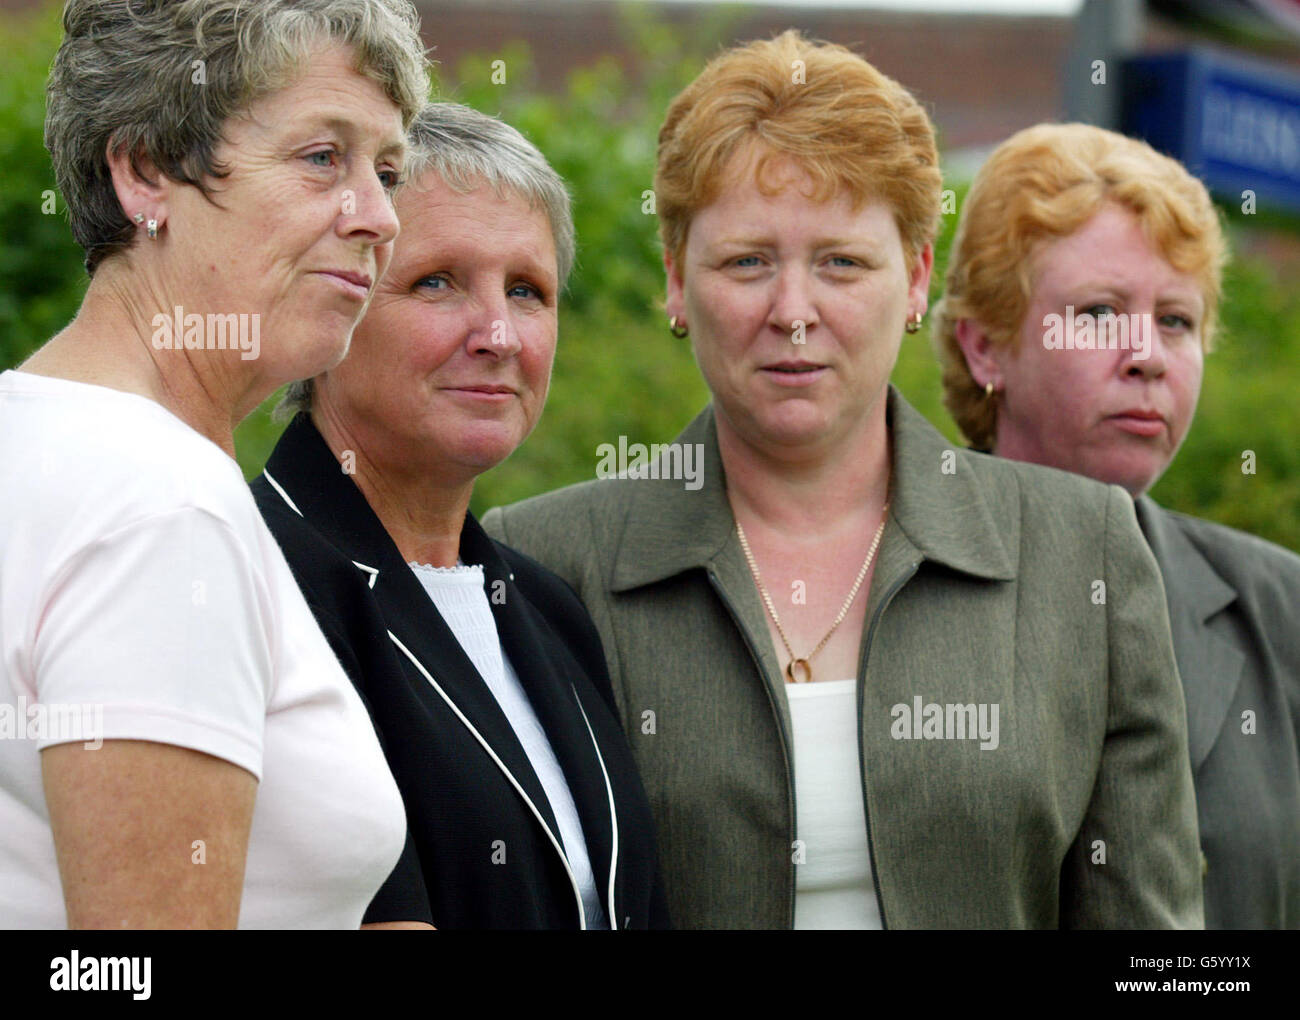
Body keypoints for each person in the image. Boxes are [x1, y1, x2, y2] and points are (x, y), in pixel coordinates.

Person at [482, 31, 1204, 929]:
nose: (793, 313)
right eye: (747, 261)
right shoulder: (542, 560)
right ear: (675, 280)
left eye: (843, 263)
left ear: (917, 281)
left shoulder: (1082, 546)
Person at [0, 0, 429, 929]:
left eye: (388, 170)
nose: (380, 218)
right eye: (325, 158)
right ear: (146, 169)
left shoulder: (44, 439)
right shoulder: (162, 506)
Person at [252, 102, 668, 930]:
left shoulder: (548, 609)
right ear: (337, 300)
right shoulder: (260, 580)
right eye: (437, 281)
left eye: (528, 289)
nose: (499, 334)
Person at [934, 121, 1300, 928]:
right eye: (1099, 313)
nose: (1148, 356)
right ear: (985, 346)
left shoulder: (1279, 605)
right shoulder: (884, 584)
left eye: (1176, 320)